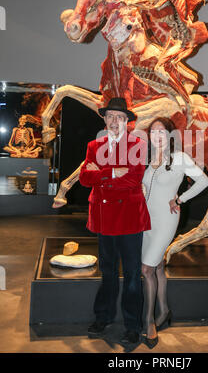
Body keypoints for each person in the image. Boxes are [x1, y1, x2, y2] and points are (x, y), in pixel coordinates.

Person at [79, 97, 151, 344]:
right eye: (110, 116)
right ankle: (104, 317)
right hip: (104, 217)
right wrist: (111, 172)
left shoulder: (138, 145)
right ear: (104, 119)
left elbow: (133, 179)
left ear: (127, 122)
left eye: (119, 117)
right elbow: (84, 179)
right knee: (107, 271)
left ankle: (132, 325)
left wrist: (100, 177)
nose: (114, 121)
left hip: (129, 218)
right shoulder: (93, 145)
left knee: (132, 274)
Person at [141, 117, 208, 348]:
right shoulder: (149, 159)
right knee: (158, 265)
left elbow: (203, 181)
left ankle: (149, 320)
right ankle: (164, 311)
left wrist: (181, 198)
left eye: (161, 131)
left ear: (169, 135)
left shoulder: (179, 158)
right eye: (153, 131)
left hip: (166, 219)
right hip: (145, 221)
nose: (157, 135)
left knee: (146, 269)